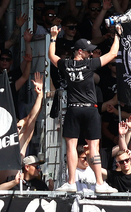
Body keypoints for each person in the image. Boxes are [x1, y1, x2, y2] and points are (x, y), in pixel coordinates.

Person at [48, 25, 121, 194]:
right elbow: (112, 54)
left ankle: (71, 182)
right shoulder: (89, 64)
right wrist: (117, 35)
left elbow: (51, 55)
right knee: (93, 147)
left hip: (73, 109)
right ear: (79, 51)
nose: (90, 54)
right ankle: (100, 184)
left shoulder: (66, 64)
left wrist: (53, 37)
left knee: (71, 146)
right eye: (87, 51)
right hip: (90, 110)